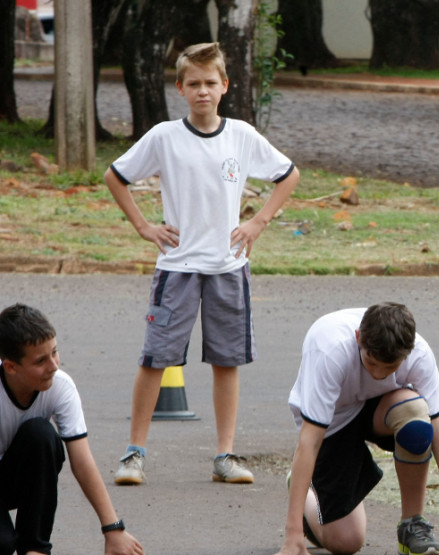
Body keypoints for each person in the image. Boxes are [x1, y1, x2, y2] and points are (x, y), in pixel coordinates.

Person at [104, 42, 300, 486]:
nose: (203, 91)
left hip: (228, 268)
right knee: (155, 358)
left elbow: (288, 175)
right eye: (193, 83)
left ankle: (225, 455)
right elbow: (115, 176)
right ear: (180, 88)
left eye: (211, 83)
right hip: (177, 266)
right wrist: (143, 226)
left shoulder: (243, 136)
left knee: (226, 362)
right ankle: (134, 453)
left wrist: (258, 222)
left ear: (225, 86)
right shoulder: (164, 137)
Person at [274, 303, 439, 555]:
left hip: (380, 408)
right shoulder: (329, 349)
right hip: (333, 421)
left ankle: (412, 526)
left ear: (406, 354)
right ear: (358, 339)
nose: (378, 374)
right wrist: (292, 538)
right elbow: (309, 442)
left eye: (391, 368)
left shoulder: (419, 354)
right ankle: (308, 493)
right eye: (371, 362)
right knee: (346, 542)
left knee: (417, 418)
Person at [0, 304, 145, 555]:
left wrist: (112, 529)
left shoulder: (61, 386)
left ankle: (35, 549)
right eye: (40, 360)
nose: (54, 365)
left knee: (42, 435)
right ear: (11, 366)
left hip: (9, 476)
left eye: (54, 352)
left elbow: (82, 461)